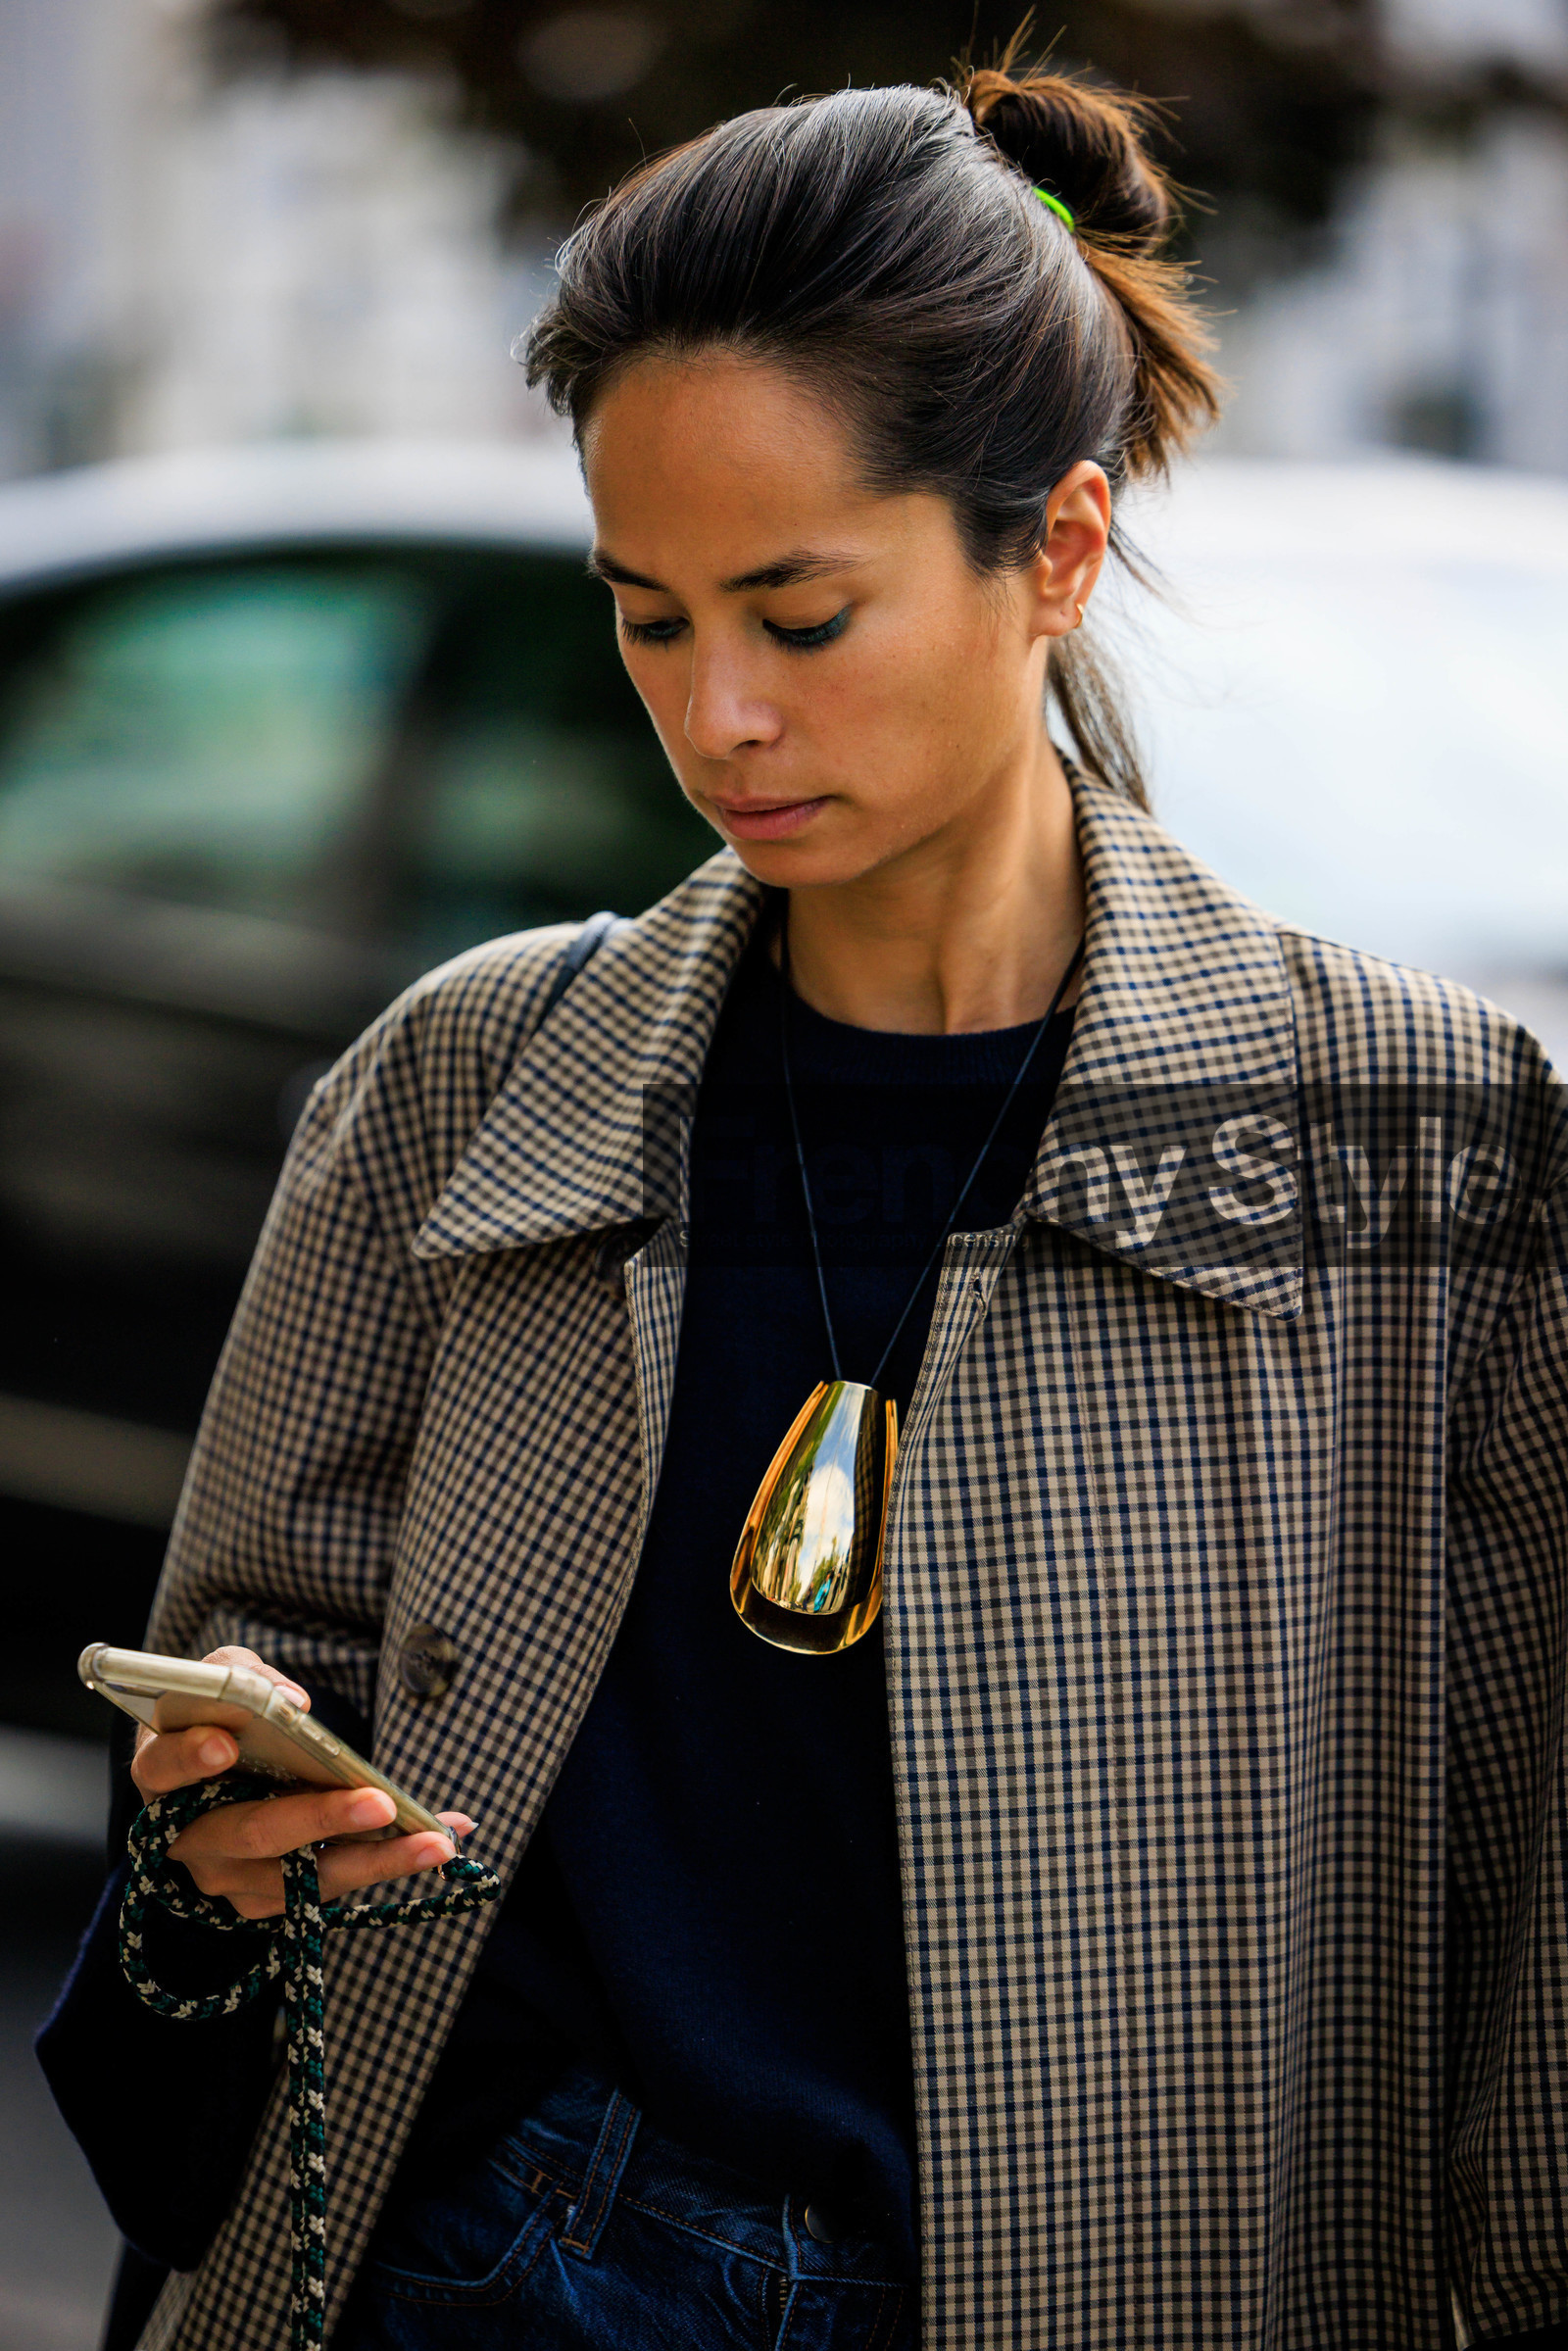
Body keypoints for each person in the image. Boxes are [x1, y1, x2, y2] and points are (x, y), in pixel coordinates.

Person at [38, 45, 1568, 2351]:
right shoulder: (464, 1085)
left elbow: (1532, 1986)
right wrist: (217, 1850)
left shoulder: (1416, 1141)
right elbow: (238, 1776)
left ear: (1055, 550)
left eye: (799, 613)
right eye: (650, 617)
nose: (716, 716)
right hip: (483, 2264)